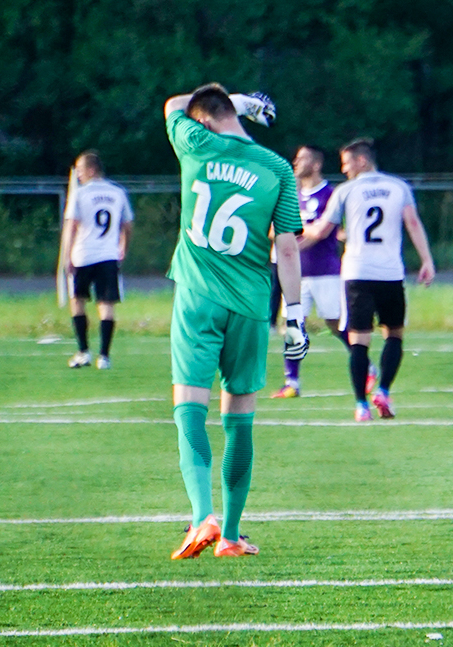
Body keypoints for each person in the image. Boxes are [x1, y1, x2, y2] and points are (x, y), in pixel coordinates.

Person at [163, 84, 307, 560]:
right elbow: (285, 248)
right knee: (239, 422)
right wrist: (296, 318)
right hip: (249, 303)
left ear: (204, 120)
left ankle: (203, 513)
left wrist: (240, 99)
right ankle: (231, 534)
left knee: (189, 408)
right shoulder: (277, 167)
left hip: (197, 296)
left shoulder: (196, 142)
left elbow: (174, 106)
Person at [300, 139, 435, 422]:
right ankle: (383, 390)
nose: (344, 169)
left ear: (362, 161)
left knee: (359, 340)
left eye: (347, 163)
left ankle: (361, 405)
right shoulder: (399, 187)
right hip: (390, 273)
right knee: (394, 335)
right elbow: (412, 223)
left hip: (358, 274)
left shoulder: (346, 191)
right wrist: (427, 260)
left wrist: (292, 234)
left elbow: (322, 230)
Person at [271, 144, 349, 397]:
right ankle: (292, 382)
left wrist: (297, 238)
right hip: (296, 273)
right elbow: (273, 230)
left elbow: (323, 231)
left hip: (325, 271)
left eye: (301, 158)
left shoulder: (330, 194)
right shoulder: (289, 195)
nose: (295, 162)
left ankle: (366, 365)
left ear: (316, 164)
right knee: (294, 323)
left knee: (336, 323)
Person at [60, 150, 134, 369]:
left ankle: (83, 351)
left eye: (80, 170)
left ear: (91, 169)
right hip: (109, 255)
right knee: (107, 304)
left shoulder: (80, 194)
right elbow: (127, 225)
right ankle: (104, 356)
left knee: (78, 300)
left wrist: (66, 256)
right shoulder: (118, 192)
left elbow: (71, 226)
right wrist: (123, 248)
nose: (78, 176)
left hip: (83, 254)